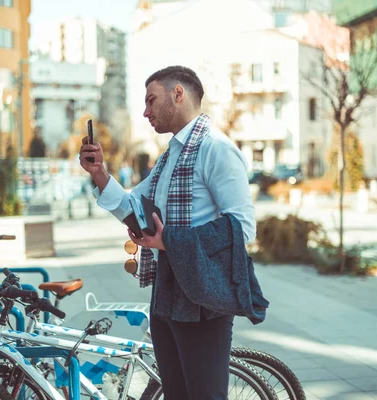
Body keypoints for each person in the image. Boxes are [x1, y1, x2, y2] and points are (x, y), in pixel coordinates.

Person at [79, 65, 257, 399]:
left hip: (202, 297)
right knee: (176, 393)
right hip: (166, 291)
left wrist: (170, 241)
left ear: (178, 94)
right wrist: (99, 172)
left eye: (151, 100)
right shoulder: (169, 158)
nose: (145, 112)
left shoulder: (215, 149)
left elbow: (243, 228)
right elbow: (133, 207)